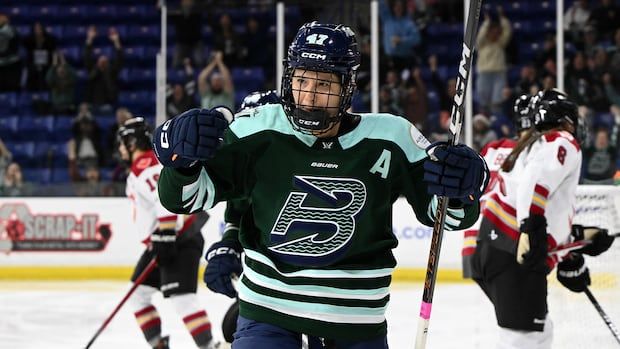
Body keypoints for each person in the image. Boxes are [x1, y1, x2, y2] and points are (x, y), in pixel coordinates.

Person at [153, 22, 488, 348]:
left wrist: (460, 189)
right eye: (301, 81)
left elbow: (446, 215)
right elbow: (184, 198)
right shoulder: (259, 129)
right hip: (268, 313)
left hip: (355, 323)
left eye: (324, 85)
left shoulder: (391, 137)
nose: (309, 97)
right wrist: (183, 163)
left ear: (347, 87)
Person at [470, 89, 615, 349]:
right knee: (527, 341)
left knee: (538, 332)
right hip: (512, 254)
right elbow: (534, 185)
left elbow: (539, 211)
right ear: (564, 119)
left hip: (496, 249)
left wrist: (575, 245)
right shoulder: (561, 140)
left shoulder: (534, 145)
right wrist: (530, 228)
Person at [118, 117, 216, 349]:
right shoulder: (142, 166)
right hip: (163, 241)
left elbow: (164, 199)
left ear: (132, 143)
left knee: (182, 299)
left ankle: (210, 346)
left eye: (123, 143)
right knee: (138, 294)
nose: (120, 149)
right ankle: (158, 344)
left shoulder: (146, 165)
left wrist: (165, 233)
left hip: (177, 239)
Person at [203, 90, 280, 345]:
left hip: (307, 295)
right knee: (231, 330)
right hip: (266, 288)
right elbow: (238, 217)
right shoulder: (245, 168)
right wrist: (228, 245)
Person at [462, 94, 531, 278]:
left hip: (473, 243)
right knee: (520, 305)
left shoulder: (492, 148)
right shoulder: (531, 153)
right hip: (504, 243)